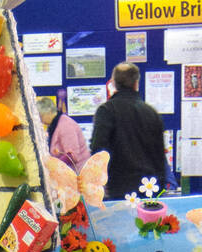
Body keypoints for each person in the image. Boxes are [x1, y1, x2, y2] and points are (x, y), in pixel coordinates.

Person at [90, 63, 167, 200]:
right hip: (149, 188)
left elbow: (98, 150)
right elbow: (160, 156)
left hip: (118, 187)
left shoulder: (107, 111)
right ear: (136, 83)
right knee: (147, 222)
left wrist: (99, 183)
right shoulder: (151, 113)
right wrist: (160, 188)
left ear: (113, 83)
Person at [37, 96, 90, 174]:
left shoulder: (65, 125)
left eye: (41, 117)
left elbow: (72, 155)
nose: (41, 121)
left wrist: (53, 166)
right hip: (71, 173)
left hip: (79, 174)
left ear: (48, 112)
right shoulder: (55, 125)